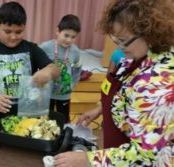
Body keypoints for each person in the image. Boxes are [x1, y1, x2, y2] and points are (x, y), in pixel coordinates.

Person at [54, 0, 174, 166]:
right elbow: (123, 91)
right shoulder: (137, 54)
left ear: (150, 33)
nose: (119, 47)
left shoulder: (157, 83)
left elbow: (146, 155)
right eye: (115, 39)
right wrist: (101, 108)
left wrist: (89, 159)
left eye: (124, 41)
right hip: (115, 153)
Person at [0, 1, 60, 119]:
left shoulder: (32, 49)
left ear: (24, 27)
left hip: (28, 114)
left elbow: (55, 69)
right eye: (8, 31)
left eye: (19, 32)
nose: (13, 37)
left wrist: (48, 72)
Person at [39, 14, 82, 123]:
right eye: (66, 35)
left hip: (64, 94)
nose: (69, 40)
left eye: (73, 37)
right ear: (58, 31)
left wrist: (73, 83)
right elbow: (35, 62)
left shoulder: (75, 51)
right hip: (47, 92)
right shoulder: (45, 47)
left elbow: (78, 67)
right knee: (45, 119)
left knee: (63, 120)